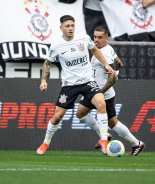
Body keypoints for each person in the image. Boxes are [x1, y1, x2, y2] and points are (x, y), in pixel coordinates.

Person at [37, 15, 114, 155]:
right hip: (69, 85)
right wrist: (43, 80)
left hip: (87, 81)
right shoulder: (56, 45)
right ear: (61, 28)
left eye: (72, 25)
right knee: (57, 116)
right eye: (67, 26)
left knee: (101, 103)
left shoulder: (83, 38)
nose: (70, 28)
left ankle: (103, 140)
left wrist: (106, 65)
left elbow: (95, 50)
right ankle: (45, 143)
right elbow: (47, 62)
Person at [76, 26, 145, 156]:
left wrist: (100, 92)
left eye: (99, 37)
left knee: (112, 123)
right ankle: (105, 135)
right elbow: (119, 64)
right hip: (94, 91)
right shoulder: (105, 49)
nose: (96, 40)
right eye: (95, 37)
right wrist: (115, 70)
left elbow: (114, 78)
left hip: (103, 94)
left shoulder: (105, 54)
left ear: (107, 38)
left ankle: (136, 143)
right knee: (81, 114)